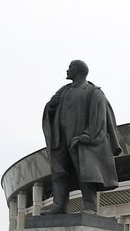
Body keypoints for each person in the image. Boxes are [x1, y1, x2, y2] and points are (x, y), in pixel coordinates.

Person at [42, 60, 121, 214]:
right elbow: (51, 109)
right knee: (59, 172)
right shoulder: (64, 91)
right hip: (61, 139)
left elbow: (98, 118)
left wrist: (87, 136)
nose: (67, 70)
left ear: (78, 71)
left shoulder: (93, 92)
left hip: (81, 140)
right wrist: (50, 106)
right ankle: (59, 206)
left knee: (85, 172)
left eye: (70, 67)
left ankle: (90, 207)